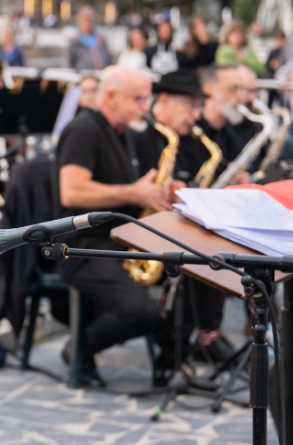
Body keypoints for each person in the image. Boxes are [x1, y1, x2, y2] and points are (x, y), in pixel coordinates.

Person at [54, 65, 168, 388]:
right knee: (143, 312)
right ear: (109, 96)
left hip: (113, 242)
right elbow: (72, 191)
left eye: (147, 97)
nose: (146, 106)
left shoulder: (123, 134)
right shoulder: (84, 129)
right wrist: (134, 192)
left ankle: (172, 358)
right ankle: (79, 349)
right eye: (139, 98)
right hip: (80, 247)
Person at [124, 71, 234, 378]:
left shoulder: (197, 142)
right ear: (165, 100)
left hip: (179, 231)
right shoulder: (139, 135)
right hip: (137, 230)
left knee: (217, 252)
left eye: (199, 106)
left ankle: (190, 343)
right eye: (190, 105)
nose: (196, 115)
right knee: (196, 261)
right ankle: (174, 351)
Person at [196, 64, 252, 183]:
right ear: (208, 89)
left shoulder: (232, 133)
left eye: (243, 89)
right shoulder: (191, 130)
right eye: (233, 89)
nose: (241, 96)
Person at [67, 6, 113, 71]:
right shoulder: (74, 41)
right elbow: (69, 64)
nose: (89, 23)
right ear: (79, 21)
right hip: (82, 78)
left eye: (91, 20)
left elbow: (108, 60)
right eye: (86, 20)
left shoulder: (100, 39)